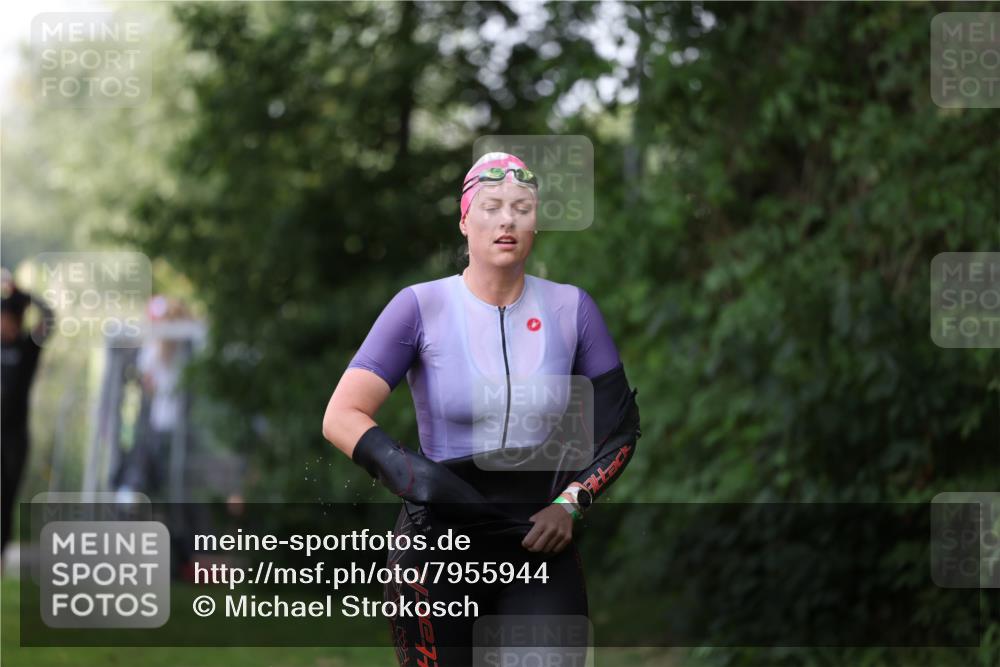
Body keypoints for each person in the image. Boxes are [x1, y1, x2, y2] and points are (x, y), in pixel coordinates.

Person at [322, 152, 641, 665]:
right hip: (437, 548)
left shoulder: (572, 309)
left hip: (538, 544)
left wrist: (571, 503)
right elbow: (341, 416)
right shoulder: (420, 306)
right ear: (465, 219)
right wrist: (420, 479)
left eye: (522, 207)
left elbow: (620, 431)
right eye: (491, 206)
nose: (507, 220)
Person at [1, 269, 55, 570]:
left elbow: (49, 318)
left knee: (6, 495)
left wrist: (22, 292)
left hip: (14, 436)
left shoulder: (26, 348)